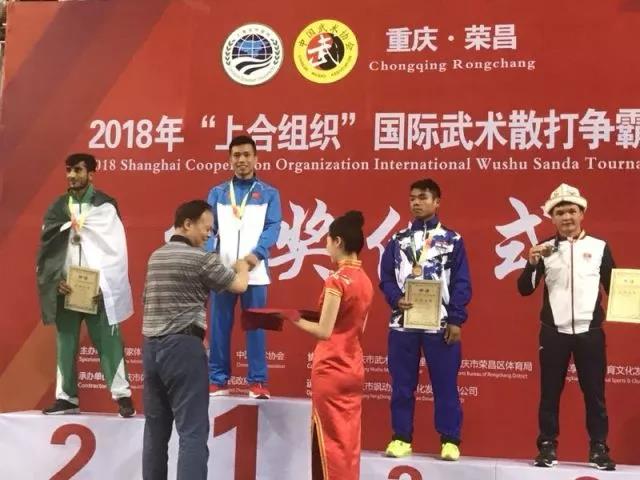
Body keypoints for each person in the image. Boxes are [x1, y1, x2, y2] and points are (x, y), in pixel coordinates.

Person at [141, 200, 249, 480]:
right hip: (183, 349)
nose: (208, 235)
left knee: (155, 432)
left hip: (151, 349)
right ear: (187, 224)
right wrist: (243, 266)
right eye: (206, 228)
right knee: (192, 432)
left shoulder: (156, 256)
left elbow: (147, 300)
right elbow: (238, 285)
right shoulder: (201, 259)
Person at [517, 183, 616, 471]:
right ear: (552, 218)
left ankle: (599, 448)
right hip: (553, 332)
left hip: (590, 332)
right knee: (549, 393)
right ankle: (547, 446)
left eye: (572, 211)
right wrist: (531, 263)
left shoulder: (599, 247)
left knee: (595, 394)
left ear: (582, 213)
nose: (567, 217)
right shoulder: (545, 249)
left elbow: (614, 287)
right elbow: (525, 289)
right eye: (560, 213)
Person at [36, 153, 135, 417]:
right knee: (65, 344)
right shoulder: (58, 207)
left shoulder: (105, 206)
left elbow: (117, 251)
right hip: (67, 289)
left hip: (98, 290)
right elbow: (47, 251)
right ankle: (66, 398)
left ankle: (122, 396)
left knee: (110, 341)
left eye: (78, 170)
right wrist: (56, 280)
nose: (72, 175)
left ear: (91, 174)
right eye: (69, 170)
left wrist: (106, 286)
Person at [379, 178, 472, 461]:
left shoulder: (453, 240)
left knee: (445, 384)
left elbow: (461, 282)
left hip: (440, 324)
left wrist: (456, 319)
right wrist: (396, 298)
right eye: (412, 198)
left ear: (437, 202)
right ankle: (401, 438)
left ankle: (450, 440)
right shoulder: (397, 240)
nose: (416, 202)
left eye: (423, 197)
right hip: (403, 323)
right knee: (402, 385)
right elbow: (385, 278)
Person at [286, 211, 373, 480]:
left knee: (328, 440)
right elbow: (357, 327)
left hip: (331, 367)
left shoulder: (337, 280)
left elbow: (324, 330)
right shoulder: (365, 280)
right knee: (348, 441)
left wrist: (293, 319)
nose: (326, 246)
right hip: (353, 365)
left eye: (327, 241)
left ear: (338, 241)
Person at [206, 134, 282, 399]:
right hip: (223, 272)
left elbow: (273, 227)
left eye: (247, 155)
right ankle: (218, 380)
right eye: (236, 155)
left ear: (256, 158)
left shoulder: (269, 194)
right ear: (229, 160)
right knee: (219, 326)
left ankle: (257, 382)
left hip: (254, 271)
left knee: (256, 326)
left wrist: (255, 256)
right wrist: (211, 258)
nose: (242, 160)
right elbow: (208, 229)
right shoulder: (217, 193)